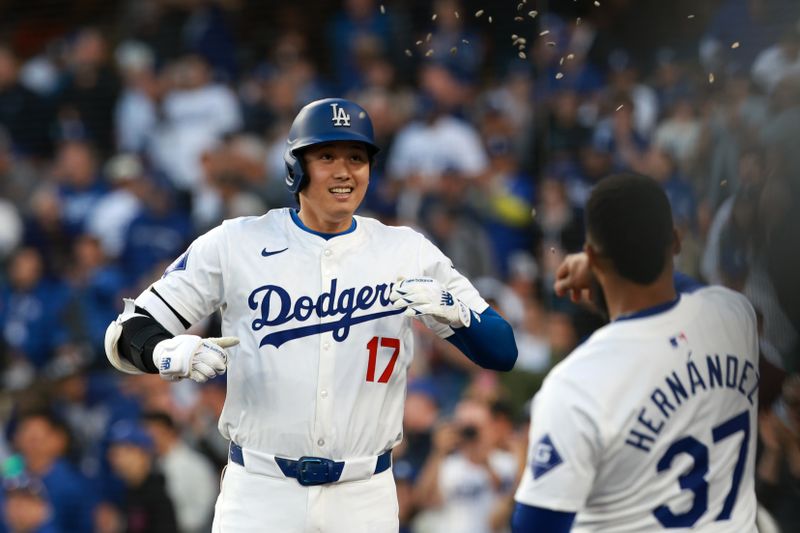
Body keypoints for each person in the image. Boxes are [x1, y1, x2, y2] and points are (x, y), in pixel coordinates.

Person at [104, 97, 518, 532]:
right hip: (261, 490)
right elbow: (125, 335)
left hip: (364, 495)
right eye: (326, 157)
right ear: (295, 168)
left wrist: (458, 316)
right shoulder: (237, 243)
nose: (344, 171)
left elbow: (502, 351)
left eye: (357, 158)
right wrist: (168, 353)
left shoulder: (406, 250)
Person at [512, 173, 759, 532]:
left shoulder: (576, 384)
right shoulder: (735, 315)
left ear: (593, 255)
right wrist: (604, 272)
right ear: (675, 240)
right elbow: (684, 295)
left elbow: (534, 527)